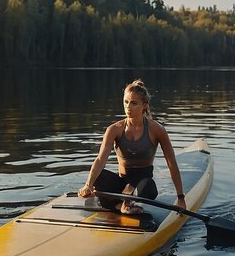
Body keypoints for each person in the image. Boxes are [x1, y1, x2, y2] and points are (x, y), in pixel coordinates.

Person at [78, 79, 187, 215]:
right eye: (126, 102)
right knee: (98, 177)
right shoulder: (114, 129)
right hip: (121, 182)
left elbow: (171, 163)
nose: (128, 107)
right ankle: (121, 203)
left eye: (134, 103)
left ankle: (125, 201)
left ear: (144, 105)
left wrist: (181, 197)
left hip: (142, 184)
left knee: (150, 188)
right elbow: (100, 160)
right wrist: (88, 184)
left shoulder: (157, 130)